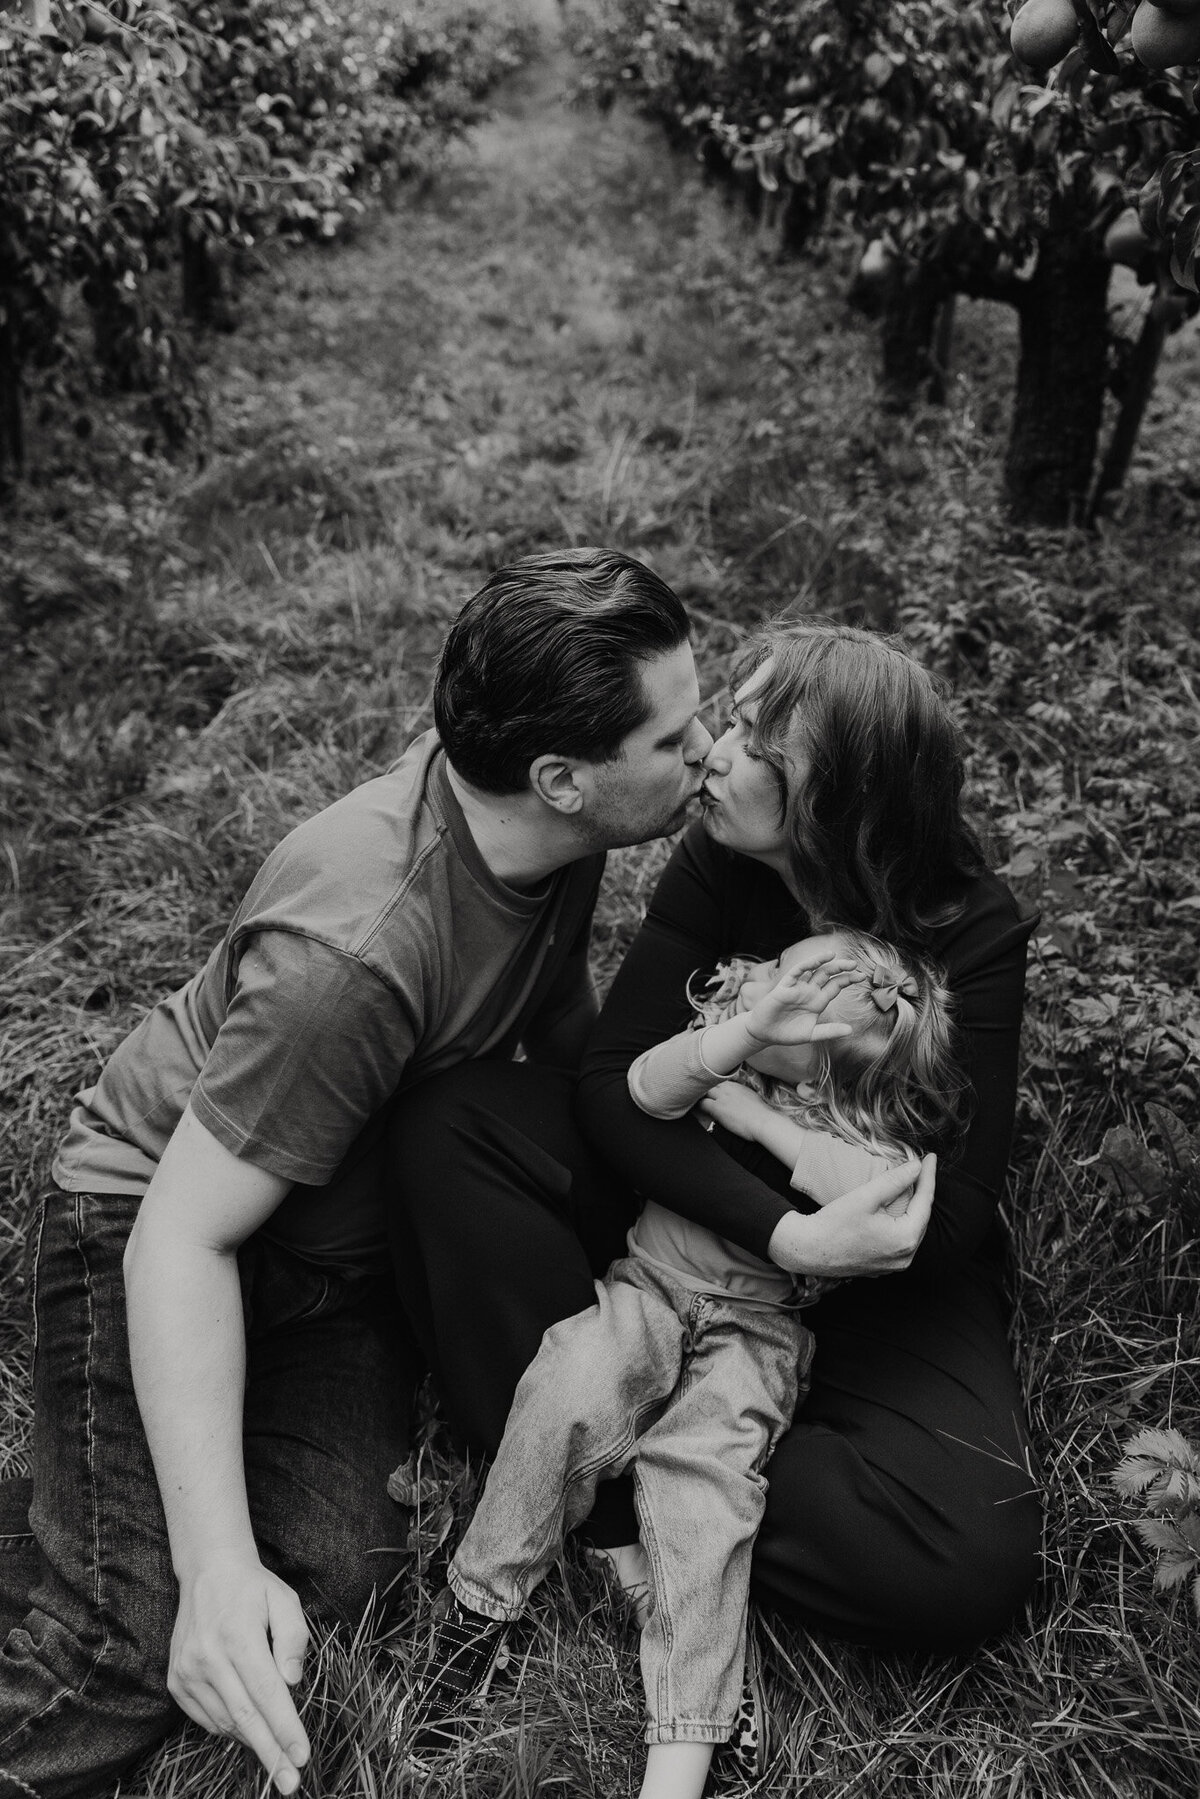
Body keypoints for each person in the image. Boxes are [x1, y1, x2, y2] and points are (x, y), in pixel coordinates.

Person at [0, 548, 715, 1799]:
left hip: (326, 1253)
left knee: (333, 1575)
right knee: (135, 1646)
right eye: (677, 733)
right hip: (152, 1220)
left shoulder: (552, 820)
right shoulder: (357, 955)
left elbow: (549, 1031)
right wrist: (211, 1571)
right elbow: (180, 1237)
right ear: (560, 777)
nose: (705, 749)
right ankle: (111, 1549)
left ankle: (96, 1504)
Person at [388, 619, 1040, 1720]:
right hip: (679, 1209)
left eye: (751, 738)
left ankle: (638, 1455)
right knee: (451, 1123)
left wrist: (814, 1241)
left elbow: (949, 1217)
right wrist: (772, 1227)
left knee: (964, 1555)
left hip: (867, 1274)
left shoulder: (969, 927)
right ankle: (610, 1488)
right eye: (728, 719)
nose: (712, 753)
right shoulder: (720, 860)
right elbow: (612, 1086)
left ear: (834, 795)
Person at [399, 931, 959, 1799]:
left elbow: (880, 1196)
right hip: (648, 1288)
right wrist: (739, 1047)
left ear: (818, 1072)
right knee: (567, 1382)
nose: (759, 983)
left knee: (700, 1487)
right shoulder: (715, 1062)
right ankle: (480, 1604)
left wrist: (758, 1120)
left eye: (784, 992)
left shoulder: (856, 1136)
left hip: (756, 1335)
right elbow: (641, 1089)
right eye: (776, 964)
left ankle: (687, 1748)